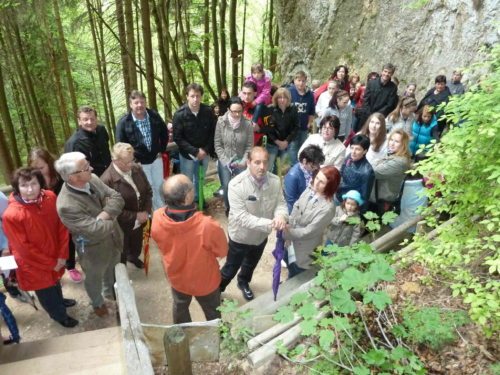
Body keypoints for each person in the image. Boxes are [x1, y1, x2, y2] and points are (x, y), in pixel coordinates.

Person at [2, 168, 78, 328]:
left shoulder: (50, 197)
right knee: (46, 290)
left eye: (33, 184)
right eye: (24, 185)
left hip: (56, 254)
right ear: (17, 187)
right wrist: (52, 262)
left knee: (55, 281)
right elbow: (23, 249)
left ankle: (60, 301)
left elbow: (61, 226)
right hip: (34, 264)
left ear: (40, 183)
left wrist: (62, 255)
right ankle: (59, 315)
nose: (30, 189)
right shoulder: (12, 215)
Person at [55, 152, 124, 318]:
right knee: (94, 278)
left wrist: (103, 216)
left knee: (113, 270)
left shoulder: (91, 178)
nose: (91, 168)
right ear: (72, 177)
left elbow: (117, 197)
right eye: (86, 168)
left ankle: (110, 294)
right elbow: (95, 230)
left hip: (113, 239)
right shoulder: (66, 205)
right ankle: (97, 303)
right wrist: (112, 215)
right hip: (93, 250)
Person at [151, 174, 228, 324]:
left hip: (177, 278)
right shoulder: (207, 225)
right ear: (187, 198)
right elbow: (222, 251)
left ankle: (183, 335)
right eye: (191, 187)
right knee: (213, 313)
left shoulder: (157, 217)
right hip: (205, 282)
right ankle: (217, 337)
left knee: (180, 307)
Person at [219, 147, 288, 301]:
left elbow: (281, 204)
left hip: (260, 237)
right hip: (241, 237)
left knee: (250, 264)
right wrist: (271, 223)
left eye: (265, 162)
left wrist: (281, 216)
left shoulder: (275, 181)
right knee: (230, 267)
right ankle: (218, 288)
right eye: (257, 162)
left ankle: (243, 282)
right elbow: (242, 217)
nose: (262, 167)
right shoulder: (236, 185)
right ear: (248, 162)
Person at [28, 148, 83, 283]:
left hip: (64, 214)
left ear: (49, 163)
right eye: (35, 168)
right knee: (51, 243)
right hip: (46, 219)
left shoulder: (59, 176)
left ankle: (70, 266)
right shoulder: (32, 181)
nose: (39, 171)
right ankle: (55, 270)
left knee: (68, 241)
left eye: (41, 167)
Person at [100, 143, 152, 268]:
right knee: (121, 250)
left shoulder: (136, 168)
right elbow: (111, 210)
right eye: (126, 162)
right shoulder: (106, 180)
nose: (131, 165)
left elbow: (148, 191)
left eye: (132, 160)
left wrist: (146, 211)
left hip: (141, 219)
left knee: (136, 245)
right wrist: (135, 216)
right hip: (121, 225)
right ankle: (122, 270)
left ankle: (133, 257)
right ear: (115, 160)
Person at [116, 90, 168, 211]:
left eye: (142, 102)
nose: (139, 105)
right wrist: (133, 161)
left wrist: (162, 150)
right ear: (131, 104)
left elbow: (164, 133)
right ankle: (151, 215)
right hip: (139, 164)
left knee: (159, 186)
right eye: (136, 102)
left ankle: (161, 213)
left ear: (145, 103)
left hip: (156, 159)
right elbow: (120, 145)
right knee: (146, 189)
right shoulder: (124, 122)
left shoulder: (154, 115)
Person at [284, 166, 340, 277]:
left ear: (330, 186)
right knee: (289, 262)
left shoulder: (327, 208)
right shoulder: (310, 189)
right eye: (317, 178)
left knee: (298, 271)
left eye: (321, 182)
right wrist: (289, 225)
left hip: (304, 246)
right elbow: (296, 207)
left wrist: (287, 234)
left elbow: (310, 231)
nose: (316, 183)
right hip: (291, 237)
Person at [172, 83, 217, 204]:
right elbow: (178, 138)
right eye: (192, 96)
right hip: (187, 155)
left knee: (200, 179)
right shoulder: (179, 114)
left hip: (205, 153)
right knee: (187, 181)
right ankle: (188, 203)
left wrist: (205, 150)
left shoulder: (207, 111)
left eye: (198, 96)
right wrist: (195, 151)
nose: (195, 99)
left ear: (201, 96)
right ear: (187, 96)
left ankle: (199, 199)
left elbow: (213, 133)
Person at [214, 97, 253, 215]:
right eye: (233, 111)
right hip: (225, 159)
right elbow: (218, 144)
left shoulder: (247, 124)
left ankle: (242, 209)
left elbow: (249, 146)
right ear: (228, 109)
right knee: (226, 185)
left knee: (242, 186)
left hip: (241, 160)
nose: (236, 114)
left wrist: (243, 161)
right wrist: (225, 161)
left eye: (239, 111)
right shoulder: (221, 122)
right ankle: (229, 208)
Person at [371, 129, 411, 215]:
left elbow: (373, 172)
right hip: (377, 195)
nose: (392, 143)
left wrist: (375, 162)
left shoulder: (400, 162)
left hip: (381, 200)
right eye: (391, 140)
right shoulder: (392, 153)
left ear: (403, 144)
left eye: (396, 141)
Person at [64, 106, 111, 177]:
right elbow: (72, 171)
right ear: (79, 121)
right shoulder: (74, 143)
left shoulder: (102, 130)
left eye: (92, 119)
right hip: (92, 180)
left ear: (96, 119)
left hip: (109, 174)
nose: (90, 122)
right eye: (85, 119)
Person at [260, 87, 300, 171]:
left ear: (288, 99)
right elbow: (268, 128)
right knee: (268, 167)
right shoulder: (270, 109)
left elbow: (296, 127)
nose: (282, 100)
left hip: (286, 144)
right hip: (272, 144)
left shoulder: (293, 109)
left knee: (278, 168)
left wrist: (286, 141)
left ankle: (275, 183)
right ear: (276, 98)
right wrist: (277, 141)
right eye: (279, 97)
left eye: (285, 97)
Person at [336, 134, 374, 212]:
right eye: (352, 148)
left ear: (365, 151)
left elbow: (365, 196)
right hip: (339, 196)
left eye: (358, 149)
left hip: (351, 205)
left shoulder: (367, 171)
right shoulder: (349, 157)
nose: (353, 152)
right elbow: (341, 172)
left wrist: (359, 212)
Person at [283, 144, 324, 213]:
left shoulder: (313, 169)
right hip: (298, 210)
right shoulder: (293, 176)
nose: (317, 167)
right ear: (304, 161)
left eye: (318, 164)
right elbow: (291, 201)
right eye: (313, 165)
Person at [356, 63, 398, 130]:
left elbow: (389, 105)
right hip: (366, 115)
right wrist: (368, 113)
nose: (386, 74)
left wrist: (376, 115)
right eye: (385, 71)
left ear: (392, 74)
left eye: (389, 73)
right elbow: (366, 98)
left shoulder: (393, 88)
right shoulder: (372, 82)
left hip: (378, 118)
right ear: (382, 71)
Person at [289, 71, 316, 151]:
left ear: (306, 81)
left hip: (304, 126)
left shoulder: (310, 94)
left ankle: (300, 163)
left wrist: (309, 123)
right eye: (299, 80)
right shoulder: (289, 91)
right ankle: (293, 164)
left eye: (303, 81)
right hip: (292, 127)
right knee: (292, 148)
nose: (301, 83)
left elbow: (311, 110)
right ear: (294, 81)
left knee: (302, 147)